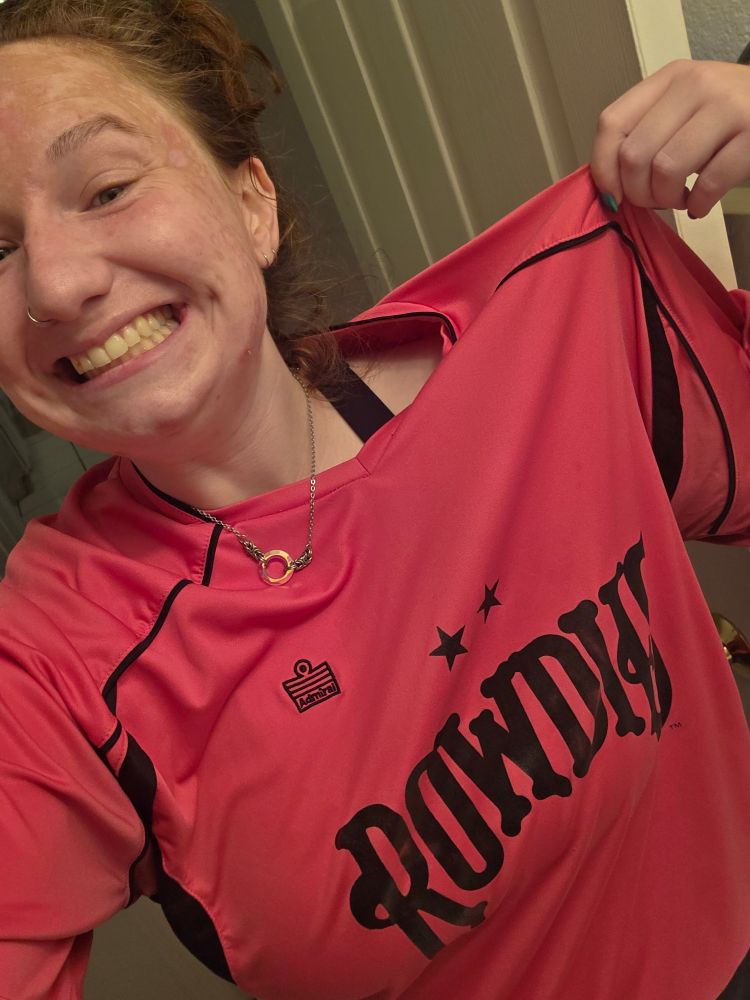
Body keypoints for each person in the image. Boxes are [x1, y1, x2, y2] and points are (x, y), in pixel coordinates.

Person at [0, 1, 749, 997]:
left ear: (253, 205)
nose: (54, 284)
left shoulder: (561, 319)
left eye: (107, 188)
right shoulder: (51, 663)